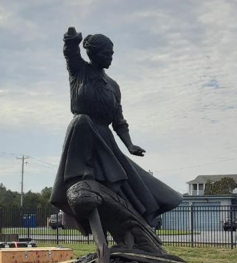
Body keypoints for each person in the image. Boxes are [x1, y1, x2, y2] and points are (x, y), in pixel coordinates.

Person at [49, 27, 182, 238]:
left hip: (105, 140)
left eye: (112, 53)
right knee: (81, 121)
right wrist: (72, 41)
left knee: (128, 188)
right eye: (105, 53)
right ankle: (83, 179)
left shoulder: (113, 86)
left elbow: (119, 121)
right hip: (82, 136)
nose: (110, 57)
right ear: (93, 53)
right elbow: (70, 54)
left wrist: (129, 145)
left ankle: (131, 231)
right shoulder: (79, 71)